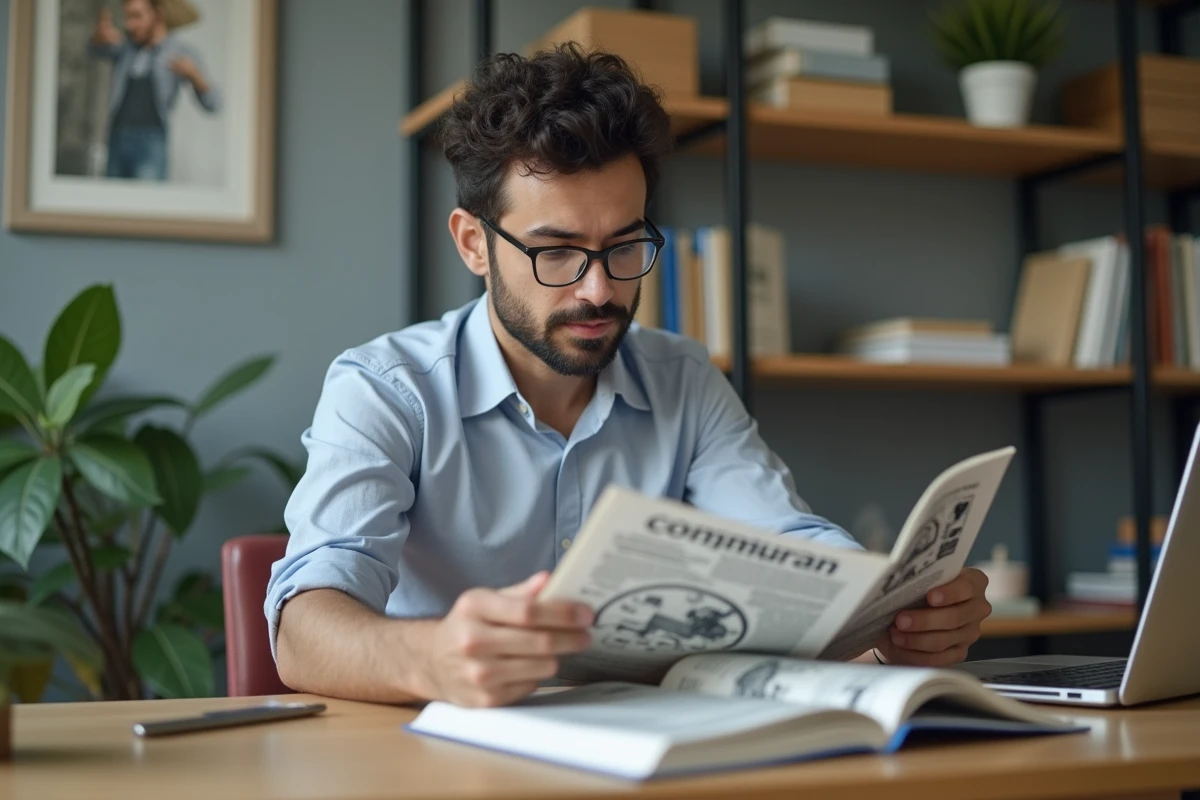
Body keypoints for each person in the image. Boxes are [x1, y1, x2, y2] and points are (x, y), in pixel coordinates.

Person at [266, 44, 993, 708]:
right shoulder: (384, 389)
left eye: (624, 246)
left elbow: (787, 540)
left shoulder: (682, 378)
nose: (599, 290)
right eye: (557, 252)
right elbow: (304, 628)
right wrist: (431, 658)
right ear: (474, 245)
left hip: (653, 750)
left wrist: (888, 611)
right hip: (436, 760)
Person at [88, 0, 221, 181]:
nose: (129, 24)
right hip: (117, 139)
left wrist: (195, 75)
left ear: (157, 16)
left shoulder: (180, 53)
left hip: (151, 143)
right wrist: (98, 35)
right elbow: (95, 49)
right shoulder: (125, 49)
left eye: (136, 16)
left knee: (146, 204)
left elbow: (214, 104)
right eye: (127, 17)